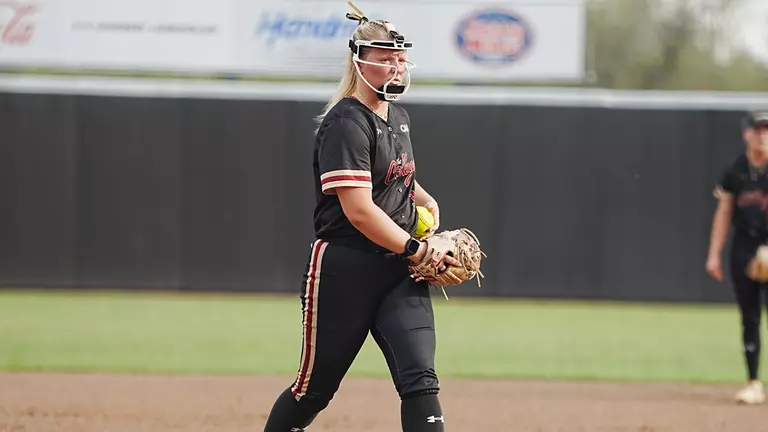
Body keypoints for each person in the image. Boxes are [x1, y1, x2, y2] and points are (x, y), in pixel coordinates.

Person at [263, 5, 461, 431]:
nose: (395, 65)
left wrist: (427, 204)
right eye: (384, 56)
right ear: (359, 59)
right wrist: (418, 247)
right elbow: (359, 209)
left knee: (421, 382)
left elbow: (398, 180)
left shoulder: (398, 118)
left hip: (400, 271)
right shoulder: (345, 122)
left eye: (400, 57)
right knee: (312, 390)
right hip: (345, 270)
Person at [707, 110, 768, 405]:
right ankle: (753, 381)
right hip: (744, 246)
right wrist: (714, 254)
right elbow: (724, 212)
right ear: (747, 133)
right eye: (758, 129)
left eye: (767, 130)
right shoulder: (735, 169)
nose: (763, 135)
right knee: (750, 316)